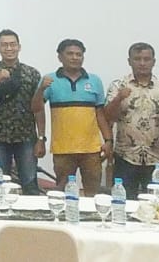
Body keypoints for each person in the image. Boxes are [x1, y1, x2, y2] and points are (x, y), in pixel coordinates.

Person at [33, 39, 109, 197]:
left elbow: (100, 114)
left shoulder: (95, 81)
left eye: (79, 54)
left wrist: (108, 140)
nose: (75, 57)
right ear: (60, 57)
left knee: (93, 194)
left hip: (91, 150)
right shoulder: (49, 80)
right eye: (70, 54)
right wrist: (41, 90)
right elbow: (35, 109)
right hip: (63, 150)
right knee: (64, 193)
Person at [0, 29, 42, 195]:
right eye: (4, 45)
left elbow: (39, 108)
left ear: (19, 47)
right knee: (0, 185)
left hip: (26, 137)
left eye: (12, 44)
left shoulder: (32, 73)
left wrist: (41, 138)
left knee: (30, 183)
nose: (9, 48)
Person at [102, 43, 159, 196]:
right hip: (126, 156)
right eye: (137, 59)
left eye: (147, 59)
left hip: (157, 158)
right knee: (123, 202)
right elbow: (107, 117)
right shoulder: (118, 85)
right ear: (129, 61)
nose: (142, 63)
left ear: (154, 61)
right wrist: (118, 98)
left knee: (155, 203)